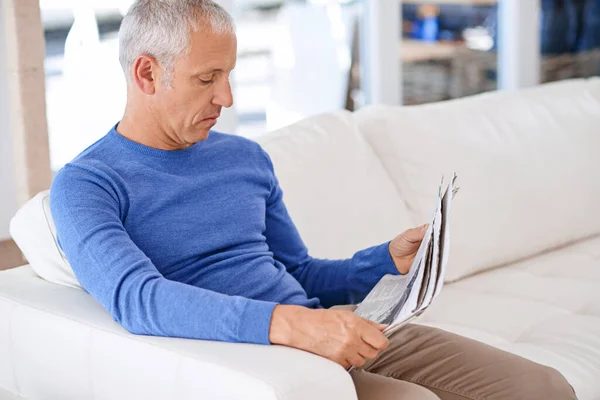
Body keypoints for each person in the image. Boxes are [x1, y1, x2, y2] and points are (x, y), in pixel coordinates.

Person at [50, 1, 577, 399]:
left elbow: (298, 272)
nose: (226, 98)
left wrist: (383, 261)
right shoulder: (87, 185)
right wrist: (295, 326)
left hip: (340, 328)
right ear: (146, 73)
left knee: (546, 386)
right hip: (261, 357)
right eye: (207, 78)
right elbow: (137, 299)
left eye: (229, 75)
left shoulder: (244, 157)